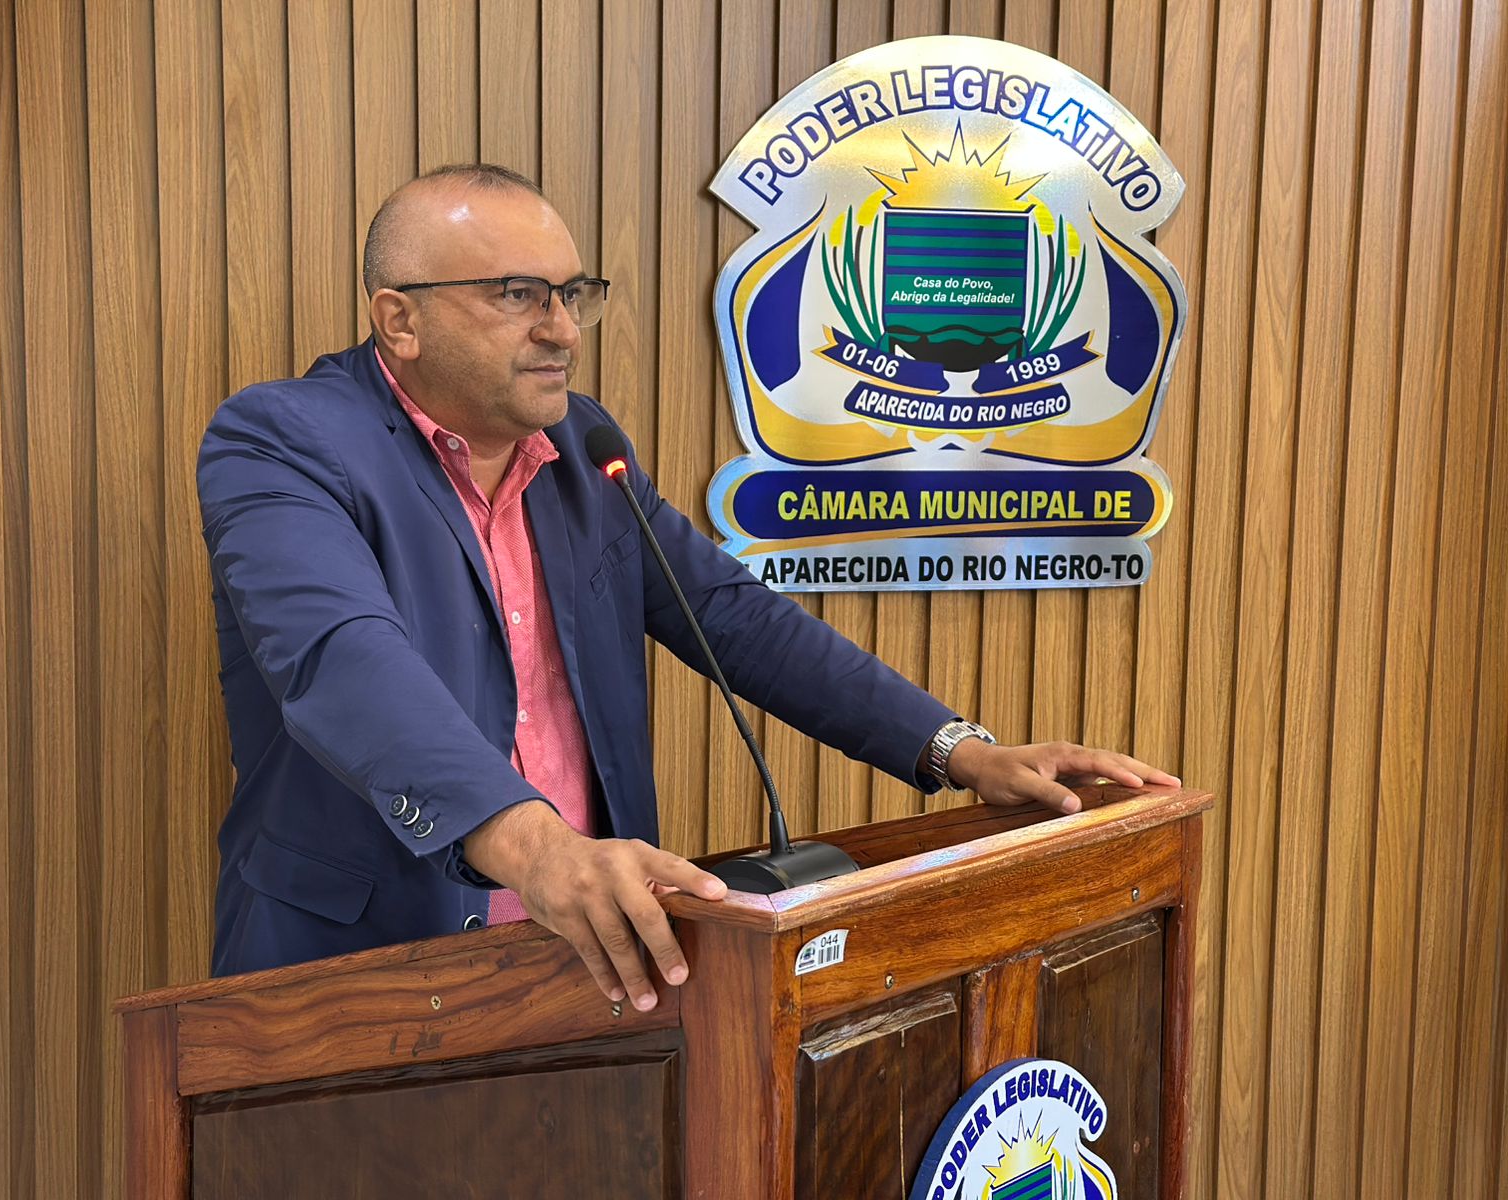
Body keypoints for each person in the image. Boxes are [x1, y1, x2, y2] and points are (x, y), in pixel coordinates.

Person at [196, 163, 1178, 1011]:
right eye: (517, 295)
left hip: (587, 962)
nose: (561, 330)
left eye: (571, 294)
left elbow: (730, 616)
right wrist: (541, 852)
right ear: (398, 320)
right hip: (360, 974)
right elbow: (345, 661)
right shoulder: (280, 442)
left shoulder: (581, 452)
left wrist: (961, 752)